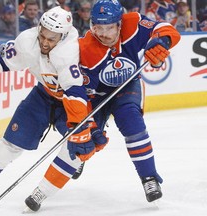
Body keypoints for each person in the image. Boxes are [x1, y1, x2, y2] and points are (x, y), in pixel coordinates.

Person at [24, 0, 181, 212]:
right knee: (80, 142)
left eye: (109, 28)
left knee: (132, 124)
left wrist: (161, 42)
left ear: (119, 23)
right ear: (92, 26)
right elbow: (77, 93)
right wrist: (86, 126)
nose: (104, 34)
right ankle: (42, 190)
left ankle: (149, 178)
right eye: (99, 28)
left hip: (127, 86)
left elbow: (166, 29)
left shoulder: (133, 23)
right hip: (94, 96)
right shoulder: (84, 49)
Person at [0, 6, 107, 205]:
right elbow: (0, 58)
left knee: (76, 149)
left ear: (63, 37)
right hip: (43, 95)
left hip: (71, 101)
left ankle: (42, 192)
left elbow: (74, 92)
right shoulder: (28, 41)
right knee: (10, 143)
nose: (45, 43)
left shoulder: (69, 52)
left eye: (51, 39)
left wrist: (82, 128)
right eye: (43, 36)